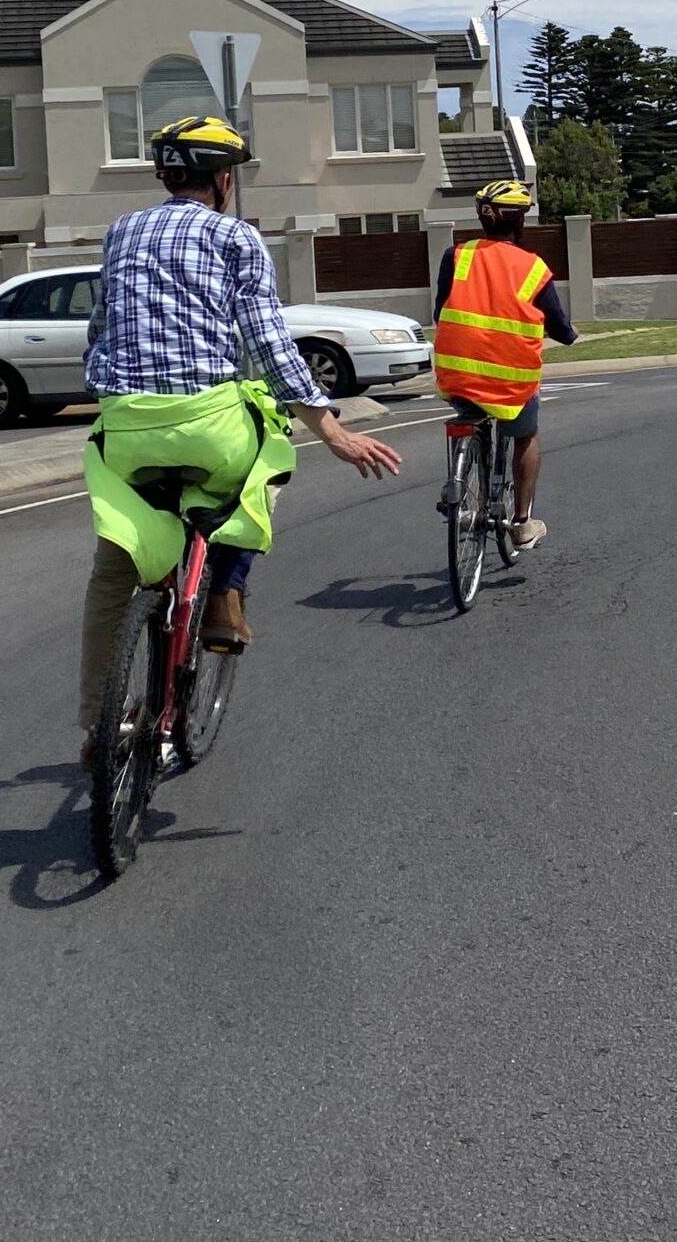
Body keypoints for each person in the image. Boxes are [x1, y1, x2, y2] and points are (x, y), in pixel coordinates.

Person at [75, 115, 401, 763]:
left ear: (167, 175)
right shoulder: (237, 238)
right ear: (223, 180)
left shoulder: (121, 233)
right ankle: (226, 586)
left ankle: (97, 723)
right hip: (208, 428)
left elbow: (100, 331)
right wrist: (330, 428)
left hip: (127, 430)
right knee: (269, 454)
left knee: (114, 568)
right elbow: (270, 344)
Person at [434, 177, 579, 550]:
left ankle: (458, 480)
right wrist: (570, 334)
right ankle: (523, 521)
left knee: (468, 420)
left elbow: (440, 312)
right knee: (525, 436)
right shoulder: (532, 268)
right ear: (520, 221)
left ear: (483, 219)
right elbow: (558, 325)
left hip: (457, 373)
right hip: (511, 382)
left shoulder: (456, 256)